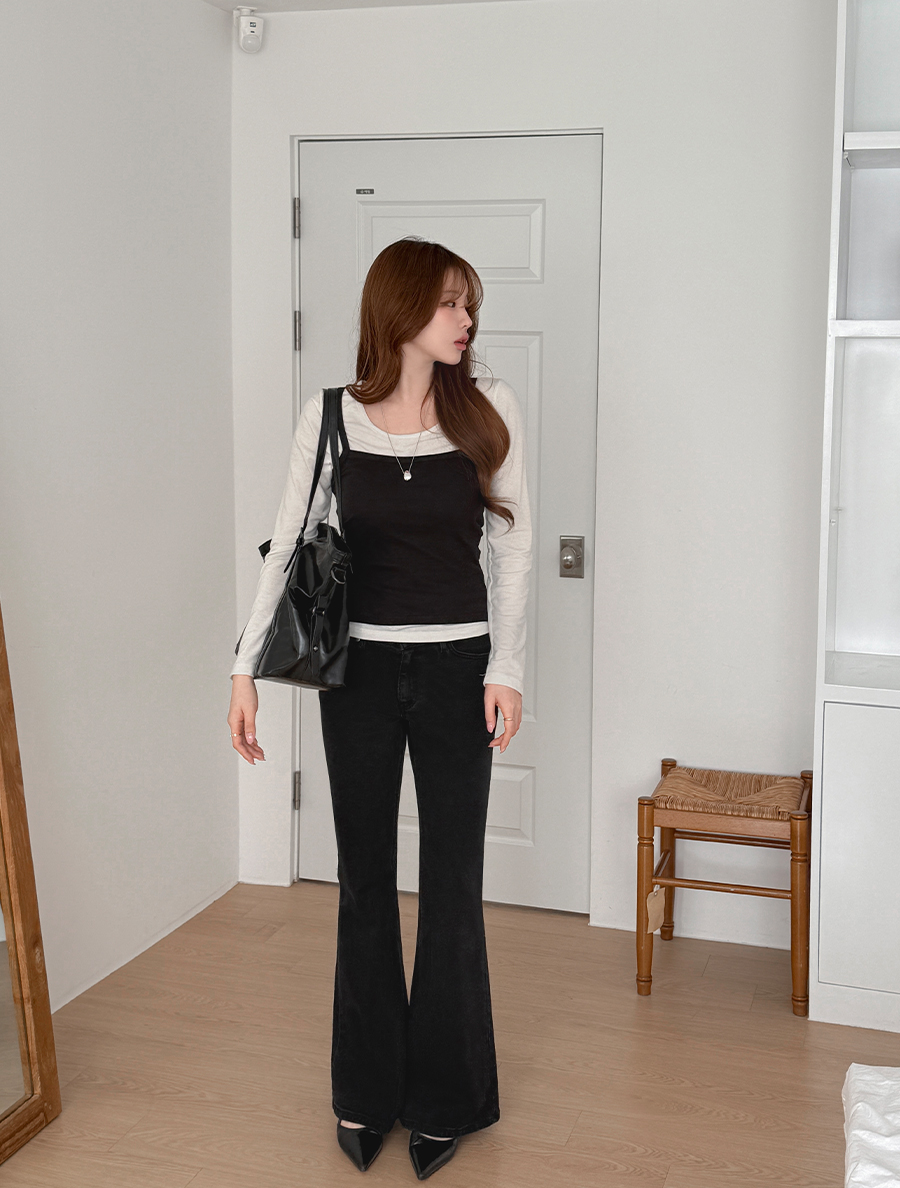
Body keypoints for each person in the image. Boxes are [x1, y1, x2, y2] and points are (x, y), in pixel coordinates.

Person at [227, 236, 531, 1180]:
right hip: (356, 676)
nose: (466, 320)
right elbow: (287, 543)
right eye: (449, 303)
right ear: (400, 310)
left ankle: (446, 1099)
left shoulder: (489, 407)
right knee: (363, 882)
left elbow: (513, 546)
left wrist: (508, 667)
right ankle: (364, 1092)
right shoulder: (329, 418)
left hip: (458, 671)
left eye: (469, 304)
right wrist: (243, 668)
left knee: (452, 887)